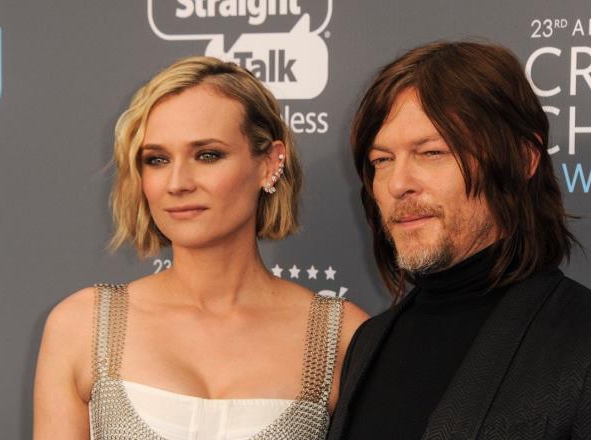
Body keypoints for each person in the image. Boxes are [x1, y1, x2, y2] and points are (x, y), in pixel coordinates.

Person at [33, 57, 367, 440]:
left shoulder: (342, 336)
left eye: (207, 155)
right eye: (157, 160)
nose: (177, 183)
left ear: (269, 163)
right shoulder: (83, 326)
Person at [327, 41, 591, 439]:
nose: (398, 184)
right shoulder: (369, 341)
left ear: (522, 159)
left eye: (431, 152)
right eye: (382, 160)